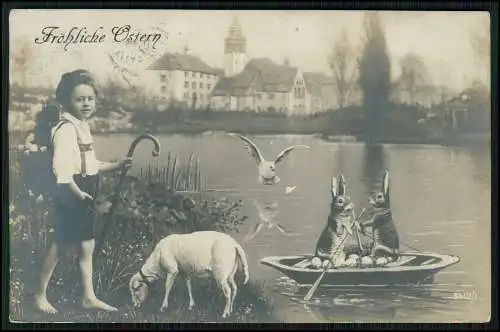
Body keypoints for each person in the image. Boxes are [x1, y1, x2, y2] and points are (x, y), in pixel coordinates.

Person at [34, 69, 132, 314]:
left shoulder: (83, 127)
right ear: (67, 101)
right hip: (71, 193)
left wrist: (116, 165)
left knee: (87, 245)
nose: (86, 103)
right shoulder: (66, 129)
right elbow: (63, 173)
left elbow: (89, 164)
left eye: (90, 98)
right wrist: (80, 196)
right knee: (59, 244)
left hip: (84, 189)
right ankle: (39, 295)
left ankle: (88, 297)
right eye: (79, 99)